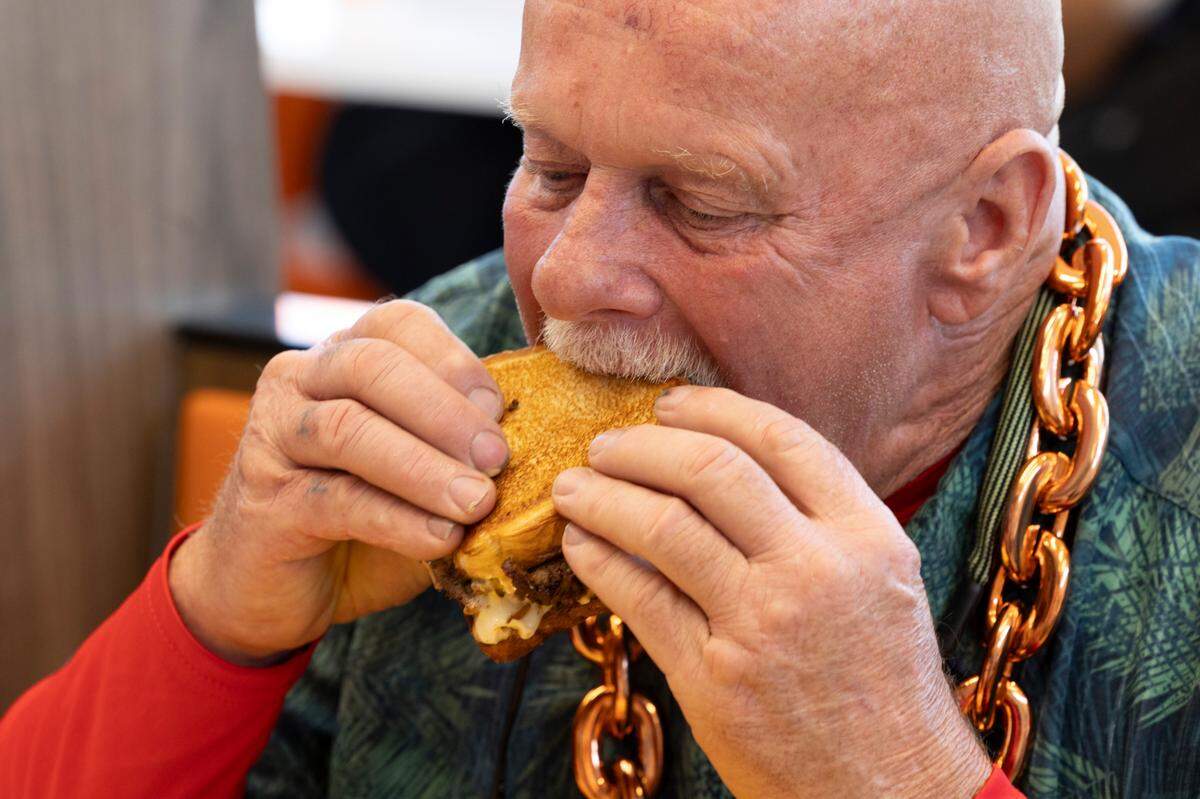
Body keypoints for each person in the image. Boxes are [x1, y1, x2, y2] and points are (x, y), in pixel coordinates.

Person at [3, 1, 1198, 796]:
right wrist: (215, 622)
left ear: (984, 230)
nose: (567, 273)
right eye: (549, 165)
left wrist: (898, 769)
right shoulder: (434, 381)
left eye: (703, 201)